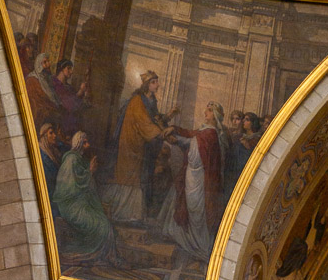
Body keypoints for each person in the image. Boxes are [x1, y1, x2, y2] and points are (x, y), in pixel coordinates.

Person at [102, 71, 175, 222]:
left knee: (140, 177)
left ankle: (134, 215)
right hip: (131, 143)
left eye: (157, 82)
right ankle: (125, 214)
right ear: (147, 85)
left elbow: (155, 120)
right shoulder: (137, 101)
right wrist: (163, 135)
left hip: (141, 144)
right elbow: (145, 123)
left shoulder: (151, 101)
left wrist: (168, 116)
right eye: (154, 82)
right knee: (129, 176)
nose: (157, 85)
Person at [158, 101, 226, 260]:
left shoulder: (211, 134)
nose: (205, 113)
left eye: (209, 111)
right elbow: (191, 138)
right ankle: (183, 236)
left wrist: (176, 137)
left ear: (215, 115)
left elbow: (193, 141)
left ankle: (199, 243)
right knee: (186, 204)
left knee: (197, 209)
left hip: (200, 178)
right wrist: (175, 134)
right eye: (206, 110)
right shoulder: (203, 131)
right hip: (190, 174)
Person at [54, 131, 117, 264]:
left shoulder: (79, 159)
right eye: (85, 142)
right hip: (70, 205)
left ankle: (103, 256)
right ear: (78, 144)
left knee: (104, 222)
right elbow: (71, 185)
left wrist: (90, 172)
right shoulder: (71, 159)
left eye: (87, 142)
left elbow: (84, 183)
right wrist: (90, 172)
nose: (88, 145)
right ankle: (90, 254)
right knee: (102, 225)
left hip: (80, 203)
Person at [52, 58, 91, 139]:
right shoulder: (54, 84)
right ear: (61, 69)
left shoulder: (69, 87)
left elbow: (77, 104)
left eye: (71, 69)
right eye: (68, 68)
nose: (71, 71)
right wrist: (80, 91)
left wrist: (85, 94)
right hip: (60, 120)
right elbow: (68, 104)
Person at [26, 52, 61, 133]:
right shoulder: (32, 80)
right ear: (38, 65)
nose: (48, 64)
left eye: (48, 61)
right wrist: (51, 107)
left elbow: (53, 96)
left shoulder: (47, 79)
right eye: (45, 62)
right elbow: (36, 100)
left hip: (48, 107)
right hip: (39, 111)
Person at [39, 123, 62, 219]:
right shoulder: (43, 155)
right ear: (44, 136)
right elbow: (50, 179)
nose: (54, 136)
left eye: (54, 133)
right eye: (51, 133)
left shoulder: (52, 150)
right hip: (50, 195)